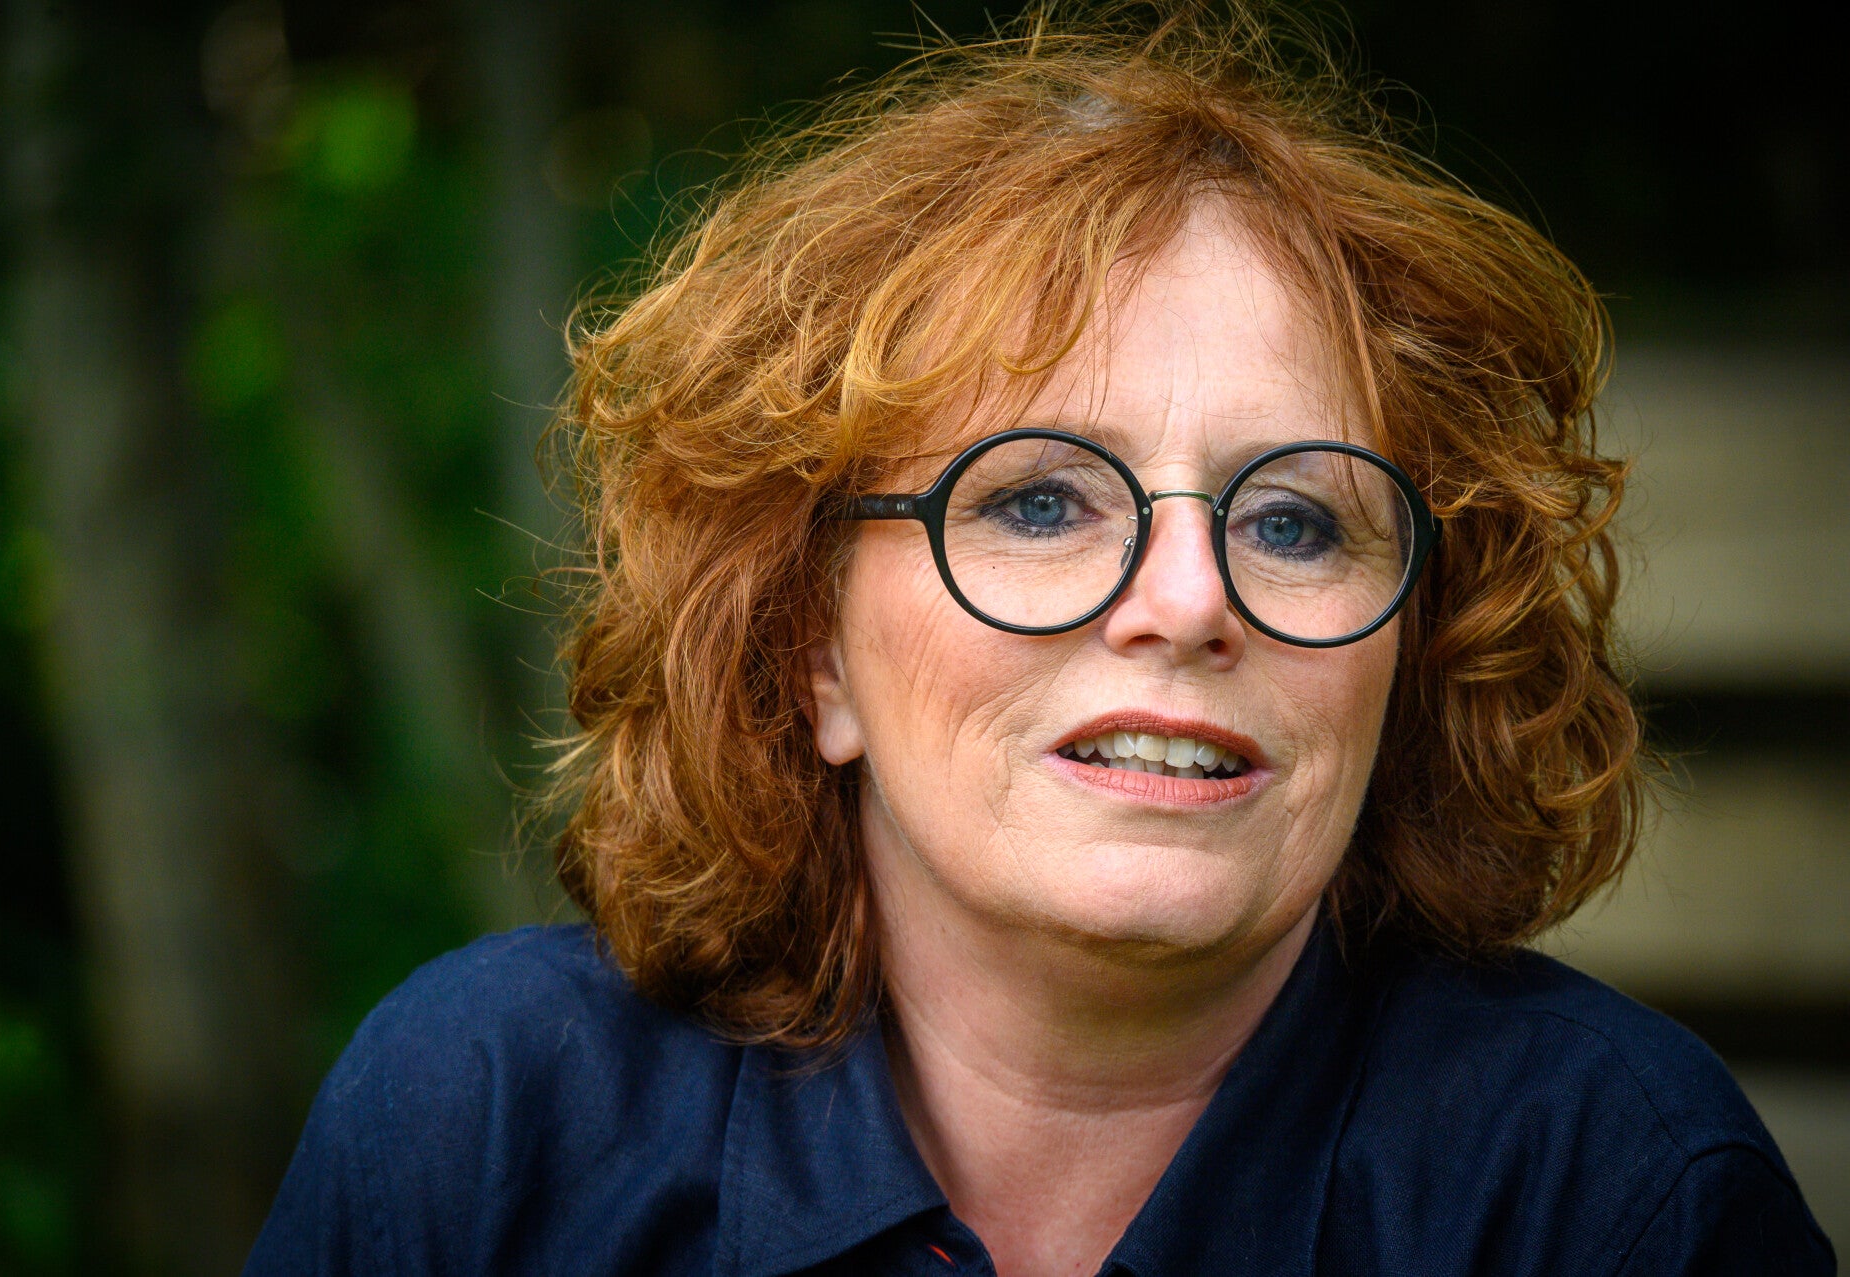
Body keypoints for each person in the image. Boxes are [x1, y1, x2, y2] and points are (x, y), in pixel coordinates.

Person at [246, 6, 1835, 1274]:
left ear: (1414, 652)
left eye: (1295, 521)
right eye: (1040, 501)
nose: (1191, 599)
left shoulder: (1614, 1197)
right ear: (810, 649)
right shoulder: (484, 1135)